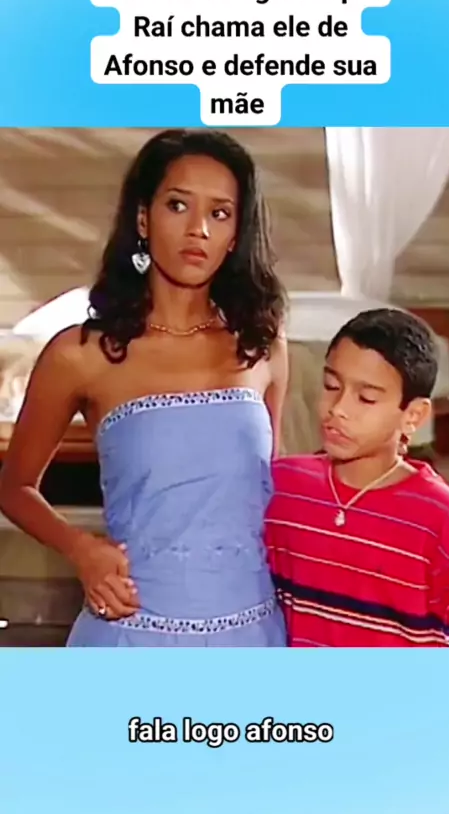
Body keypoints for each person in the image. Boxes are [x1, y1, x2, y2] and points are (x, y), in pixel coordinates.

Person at [0, 129, 289, 647]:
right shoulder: (80, 353)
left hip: (253, 634)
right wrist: (82, 549)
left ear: (236, 234)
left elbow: (272, 487)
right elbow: (14, 487)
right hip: (131, 631)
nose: (198, 229)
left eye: (220, 213)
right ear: (142, 218)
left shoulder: (262, 345)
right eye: (178, 205)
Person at [265, 308, 449, 648]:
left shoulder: (441, 518)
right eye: (331, 386)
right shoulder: (284, 487)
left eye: (366, 398)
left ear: (413, 416)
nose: (338, 408)